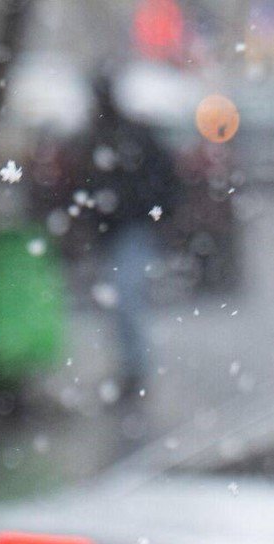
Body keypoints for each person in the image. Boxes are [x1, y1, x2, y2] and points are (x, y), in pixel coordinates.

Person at [67, 69, 182, 401]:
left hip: (129, 229)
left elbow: (160, 179)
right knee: (120, 303)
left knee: (124, 301)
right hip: (117, 230)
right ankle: (131, 369)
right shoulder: (103, 136)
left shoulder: (122, 136)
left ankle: (134, 371)